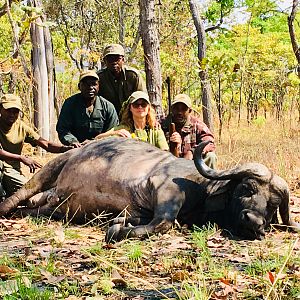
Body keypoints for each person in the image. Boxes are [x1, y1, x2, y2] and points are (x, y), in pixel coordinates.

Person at [0, 94, 73, 197]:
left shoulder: (22, 127)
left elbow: (45, 144)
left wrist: (65, 149)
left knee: (30, 192)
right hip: (2, 168)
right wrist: (21, 158)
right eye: (8, 110)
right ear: (1, 109)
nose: (12, 114)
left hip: (12, 170)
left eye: (15, 111)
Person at [56, 70, 119, 147]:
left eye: (94, 84)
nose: (90, 87)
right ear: (79, 86)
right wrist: (72, 142)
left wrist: (95, 142)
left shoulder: (108, 106)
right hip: (76, 149)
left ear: (99, 86)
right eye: (86, 84)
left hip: (102, 147)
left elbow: (112, 132)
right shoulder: (70, 104)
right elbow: (63, 129)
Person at [96, 91, 169, 151]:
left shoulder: (155, 129)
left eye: (143, 104)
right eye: (136, 104)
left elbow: (165, 151)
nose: (140, 107)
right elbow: (97, 139)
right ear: (130, 108)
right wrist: (115, 133)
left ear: (148, 108)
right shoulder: (123, 129)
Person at [161, 94, 217, 168]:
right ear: (172, 109)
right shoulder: (162, 124)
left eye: (183, 109)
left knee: (211, 156)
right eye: (176, 108)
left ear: (190, 111)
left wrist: (193, 152)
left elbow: (209, 143)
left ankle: (208, 179)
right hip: (166, 165)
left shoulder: (197, 124)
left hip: (191, 165)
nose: (179, 112)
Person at [97, 43, 147, 115]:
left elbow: (143, 98)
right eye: (110, 59)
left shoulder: (133, 76)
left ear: (123, 60)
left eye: (117, 59)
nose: (114, 62)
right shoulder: (99, 78)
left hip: (131, 116)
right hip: (108, 116)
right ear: (105, 61)